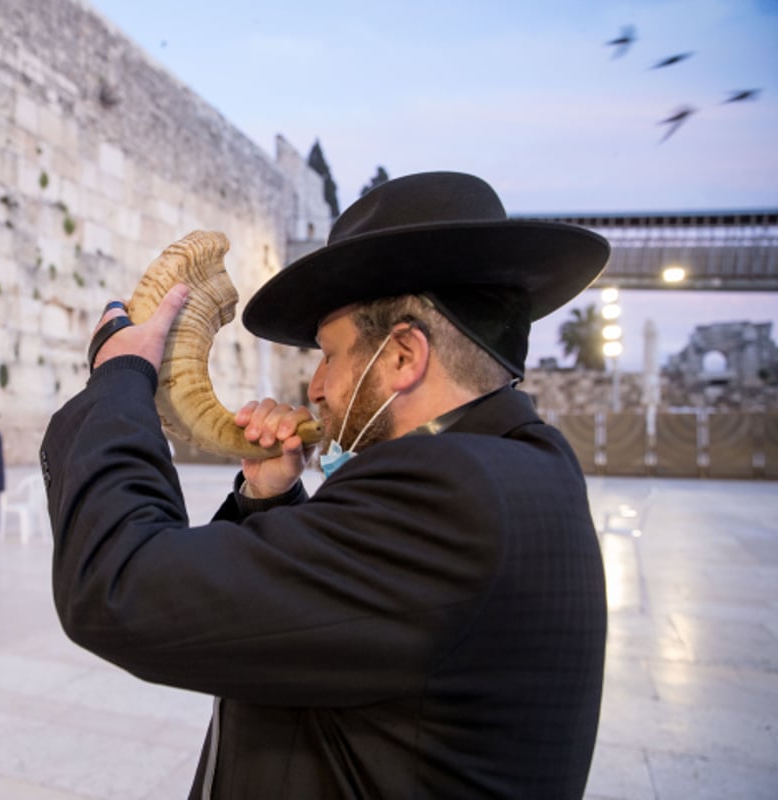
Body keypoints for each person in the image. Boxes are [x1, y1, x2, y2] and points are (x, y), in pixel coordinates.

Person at [41, 172, 610, 798]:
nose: (314, 387)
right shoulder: (522, 465)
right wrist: (270, 499)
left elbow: (121, 587)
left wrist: (119, 380)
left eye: (330, 354)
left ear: (402, 357)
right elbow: (313, 636)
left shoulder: (450, 495)